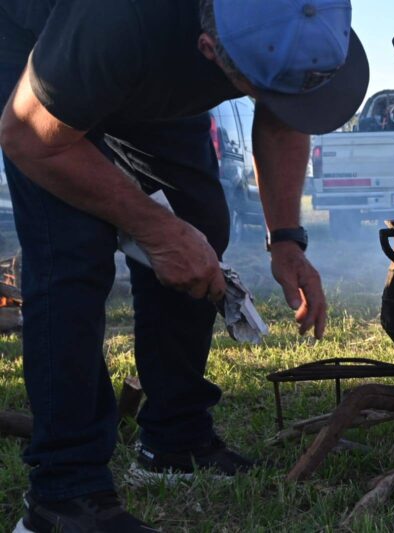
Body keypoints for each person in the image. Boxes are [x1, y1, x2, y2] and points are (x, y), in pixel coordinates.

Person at [0, 0, 369, 531]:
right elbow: (28, 140)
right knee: (72, 257)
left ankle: (174, 440)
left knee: (202, 223)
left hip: (145, 58)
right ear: (209, 51)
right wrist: (156, 230)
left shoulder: (298, 17)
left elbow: (284, 113)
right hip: (37, 51)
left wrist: (286, 239)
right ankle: (63, 497)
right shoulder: (119, 23)